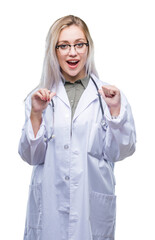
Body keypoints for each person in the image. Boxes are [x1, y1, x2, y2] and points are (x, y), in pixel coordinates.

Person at [18, 15, 136, 240]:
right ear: (54, 51)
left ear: (88, 48)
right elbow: (31, 157)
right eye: (64, 46)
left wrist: (115, 113)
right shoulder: (40, 97)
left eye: (79, 44)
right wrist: (35, 114)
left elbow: (122, 151)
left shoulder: (108, 96)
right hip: (50, 208)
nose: (73, 52)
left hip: (91, 210)